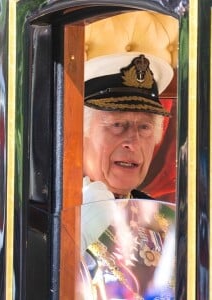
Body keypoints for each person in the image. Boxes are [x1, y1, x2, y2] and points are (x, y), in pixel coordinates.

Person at [80, 52, 176, 299]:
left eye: (144, 127)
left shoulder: (167, 219)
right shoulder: (39, 216)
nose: (132, 142)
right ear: (77, 132)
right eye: (117, 124)